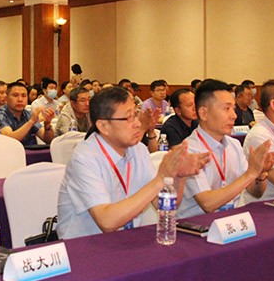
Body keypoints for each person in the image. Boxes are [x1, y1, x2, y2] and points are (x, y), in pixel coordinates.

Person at [57, 87, 210, 239]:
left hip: (126, 239)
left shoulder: (138, 150)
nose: (137, 123)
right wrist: (161, 179)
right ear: (103, 126)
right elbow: (107, 222)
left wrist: (178, 175)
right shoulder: (84, 157)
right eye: (128, 118)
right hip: (85, 245)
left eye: (136, 114)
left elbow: (164, 204)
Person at [177, 79, 274, 218]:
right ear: (204, 113)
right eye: (226, 109)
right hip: (198, 224)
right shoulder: (189, 151)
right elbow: (207, 204)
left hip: (233, 221)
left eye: (233, 108)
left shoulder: (234, 144)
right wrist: (250, 173)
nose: (234, 115)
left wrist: (260, 173)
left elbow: (255, 192)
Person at [0, 82, 55, 146]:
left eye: (24, 96)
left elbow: (48, 140)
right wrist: (31, 122)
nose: (20, 99)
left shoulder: (28, 114)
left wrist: (47, 126)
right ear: (6, 98)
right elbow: (9, 140)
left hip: (28, 152)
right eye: (15, 95)